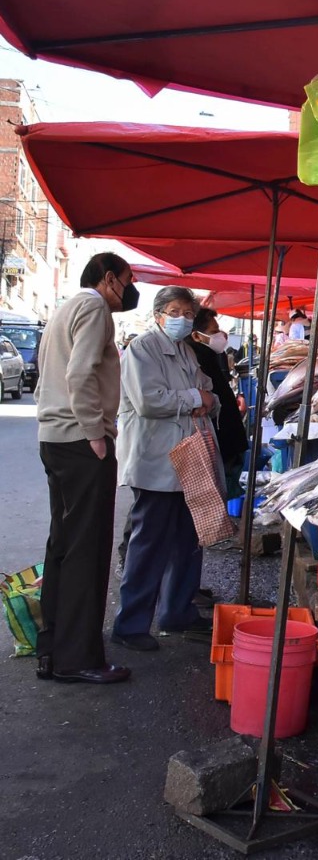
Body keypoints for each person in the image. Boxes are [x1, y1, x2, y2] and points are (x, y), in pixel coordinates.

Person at [34, 252, 136, 684]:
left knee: (64, 544)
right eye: (128, 280)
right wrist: (95, 431)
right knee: (86, 550)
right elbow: (79, 375)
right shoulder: (94, 307)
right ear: (109, 278)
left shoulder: (68, 307)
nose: (131, 290)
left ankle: (54, 648)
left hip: (55, 440)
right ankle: (78, 658)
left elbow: (49, 374)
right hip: (79, 440)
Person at [112, 287, 218, 651]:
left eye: (188, 313)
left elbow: (210, 393)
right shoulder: (143, 348)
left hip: (190, 458)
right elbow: (149, 400)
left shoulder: (188, 352)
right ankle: (130, 625)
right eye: (175, 311)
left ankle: (177, 612)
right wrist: (195, 400)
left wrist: (204, 400)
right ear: (159, 315)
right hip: (156, 460)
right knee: (149, 544)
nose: (183, 319)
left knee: (189, 540)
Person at [187, 307, 249, 500]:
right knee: (220, 490)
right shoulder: (197, 358)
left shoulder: (211, 355)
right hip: (220, 437)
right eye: (214, 332)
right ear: (197, 336)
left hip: (228, 434)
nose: (220, 335)